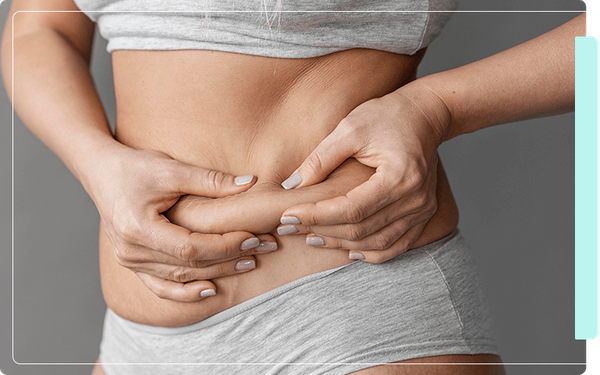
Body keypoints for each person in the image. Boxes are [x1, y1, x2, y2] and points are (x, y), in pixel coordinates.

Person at [0, 0, 584, 374]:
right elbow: (39, 27)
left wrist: (437, 108)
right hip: (136, 344)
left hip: (358, 320)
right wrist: (97, 163)